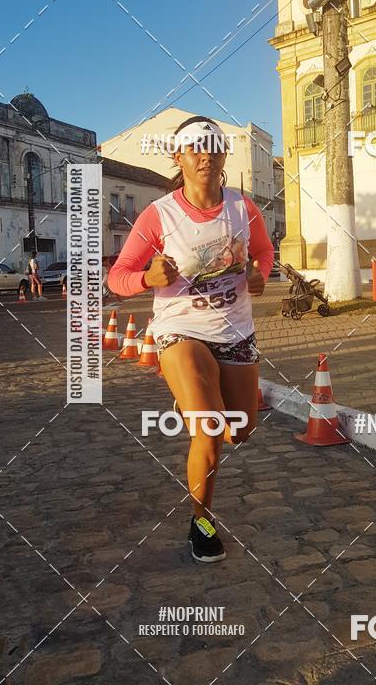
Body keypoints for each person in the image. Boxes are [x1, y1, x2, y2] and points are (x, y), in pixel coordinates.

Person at [108, 116, 274, 563]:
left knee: (240, 430)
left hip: (236, 330)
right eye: (194, 149)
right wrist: (146, 276)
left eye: (213, 147)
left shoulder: (244, 207)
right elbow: (117, 276)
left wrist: (261, 274)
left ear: (223, 155)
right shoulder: (159, 215)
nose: (205, 155)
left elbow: (263, 252)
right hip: (180, 329)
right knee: (212, 430)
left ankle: (193, 400)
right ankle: (201, 521)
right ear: (178, 157)